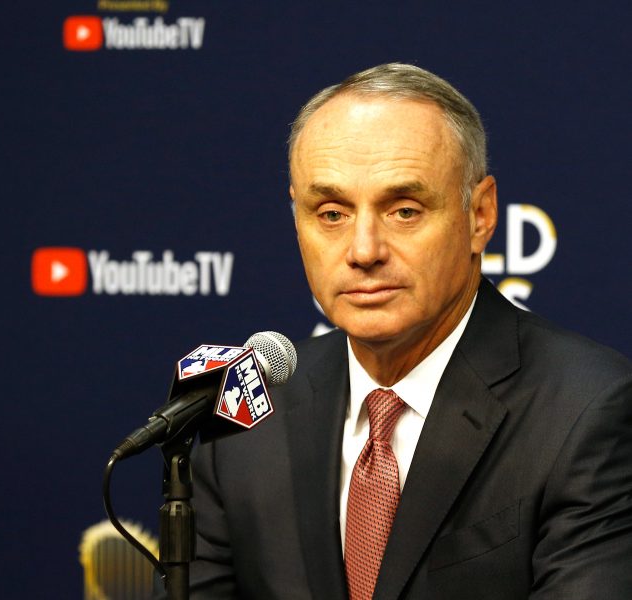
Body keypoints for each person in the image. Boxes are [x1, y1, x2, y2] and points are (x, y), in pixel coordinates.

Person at [184, 63, 632, 599]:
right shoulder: (249, 413)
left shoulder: (588, 409)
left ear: (481, 215)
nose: (363, 250)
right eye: (331, 213)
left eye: (403, 210)